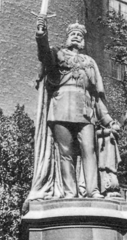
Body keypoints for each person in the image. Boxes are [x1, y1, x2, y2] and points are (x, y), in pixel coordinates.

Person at [26, 16, 121, 202]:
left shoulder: (90, 62)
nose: (76, 37)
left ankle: (92, 191)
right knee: (65, 153)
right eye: (73, 34)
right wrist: (41, 33)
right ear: (67, 38)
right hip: (61, 108)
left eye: (79, 35)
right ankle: (70, 192)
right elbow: (44, 53)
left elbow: (97, 96)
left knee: (89, 150)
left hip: (86, 112)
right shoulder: (58, 54)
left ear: (83, 41)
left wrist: (108, 120)